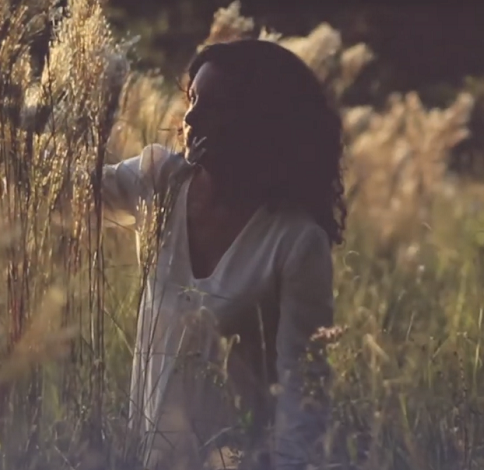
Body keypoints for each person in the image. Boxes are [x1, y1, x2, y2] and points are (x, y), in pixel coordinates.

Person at [97, 39, 346, 470]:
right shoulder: (161, 182)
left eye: (213, 106)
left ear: (259, 122)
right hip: (148, 458)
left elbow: (302, 390)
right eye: (193, 99)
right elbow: (66, 186)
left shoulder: (295, 241)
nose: (190, 118)